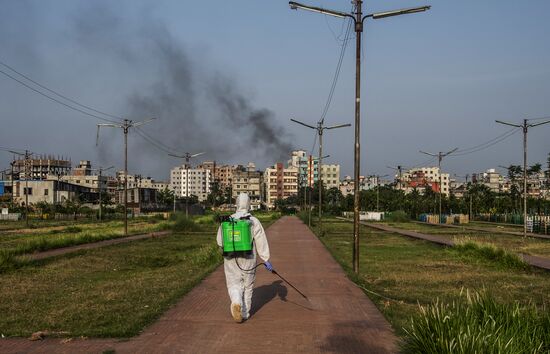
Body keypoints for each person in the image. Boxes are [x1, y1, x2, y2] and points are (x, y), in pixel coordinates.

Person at [216, 192, 272, 323]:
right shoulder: (253, 221)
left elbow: (220, 240)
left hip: (230, 257)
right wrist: (266, 259)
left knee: (233, 283)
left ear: (236, 204)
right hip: (248, 257)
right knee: (248, 285)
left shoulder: (228, 220)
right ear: (248, 204)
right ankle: (245, 313)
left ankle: (236, 302)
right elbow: (261, 240)